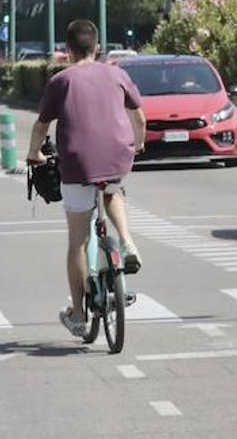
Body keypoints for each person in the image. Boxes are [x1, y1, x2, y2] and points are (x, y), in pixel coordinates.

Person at [26, 20, 147, 338]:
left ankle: (79, 316)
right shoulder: (118, 73)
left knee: (77, 242)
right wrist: (139, 143)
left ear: (67, 50)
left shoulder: (60, 81)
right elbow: (140, 117)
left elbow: (41, 126)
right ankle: (127, 241)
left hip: (77, 163)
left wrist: (34, 155)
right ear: (96, 47)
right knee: (113, 189)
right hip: (117, 156)